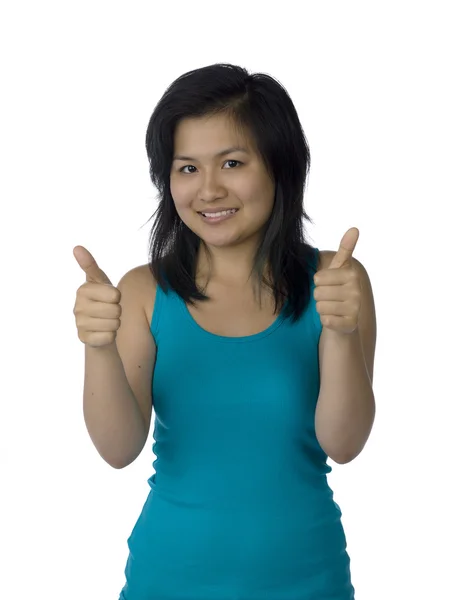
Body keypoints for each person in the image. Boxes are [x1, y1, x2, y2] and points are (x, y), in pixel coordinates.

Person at [73, 63, 377, 600]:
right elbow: (119, 450)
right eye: (186, 168)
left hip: (309, 581)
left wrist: (342, 332)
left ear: (280, 168)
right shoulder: (145, 291)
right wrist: (97, 347)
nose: (208, 190)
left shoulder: (336, 280)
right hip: (167, 580)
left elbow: (345, 443)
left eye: (232, 163)